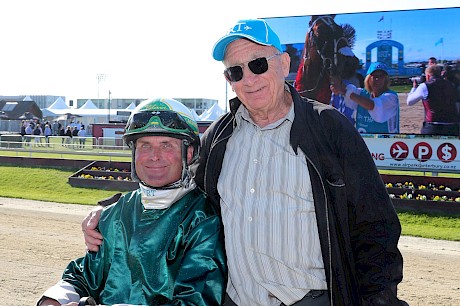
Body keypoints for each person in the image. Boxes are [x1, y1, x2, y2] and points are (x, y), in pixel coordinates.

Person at [82, 19, 406, 306]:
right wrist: (112, 211)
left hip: (314, 298)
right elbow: (177, 192)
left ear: (283, 63)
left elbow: (376, 225)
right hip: (235, 299)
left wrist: (379, 299)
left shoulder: (329, 127)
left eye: (258, 65)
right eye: (235, 72)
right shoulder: (219, 135)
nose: (248, 79)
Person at [37, 98, 227, 306]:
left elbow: (196, 301)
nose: (154, 156)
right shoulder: (113, 214)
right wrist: (54, 300)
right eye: (145, 145)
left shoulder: (204, 221)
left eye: (166, 145)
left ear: (189, 153)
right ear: (134, 152)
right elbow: (84, 275)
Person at [331, 62, 400, 134]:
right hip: (364, 141)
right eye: (374, 76)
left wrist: (345, 92)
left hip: (387, 142)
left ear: (386, 79)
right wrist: (336, 86)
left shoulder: (391, 97)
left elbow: (372, 106)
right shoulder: (361, 93)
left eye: (381, 76)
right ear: (368, 78)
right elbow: (347, 88)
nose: (377, 79)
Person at [406, 64, 460, 136]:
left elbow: (409, 102)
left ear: (428, 76)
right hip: (452, 126)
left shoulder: (425, 86)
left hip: (433, 126)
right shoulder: (451, 84)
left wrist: (414, 88)